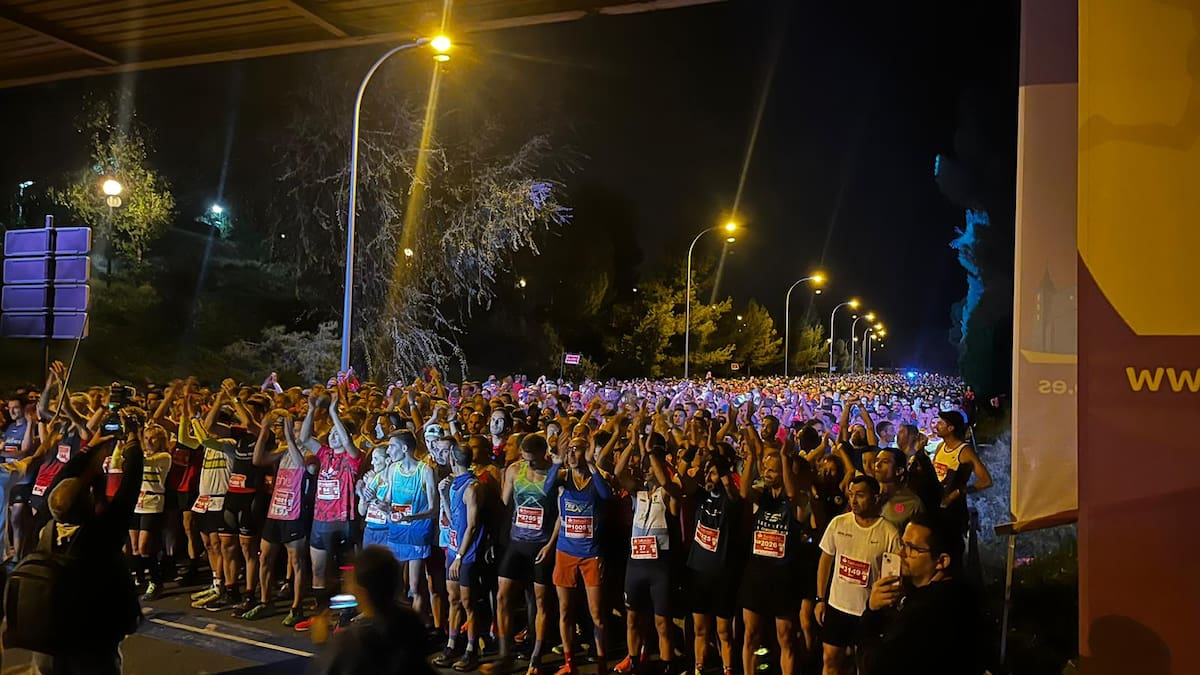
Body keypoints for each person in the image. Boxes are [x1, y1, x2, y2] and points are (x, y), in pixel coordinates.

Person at [25, 409, 144, 675]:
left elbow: (63, 479)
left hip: (48, 641)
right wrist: (134, 438)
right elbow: (131, 484)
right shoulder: (100, 535)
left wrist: (91, 446)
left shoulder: (43, 528)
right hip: (91, 643)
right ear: (89, 502)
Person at [858, 513, 985, 675]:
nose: (901, 553)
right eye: (902, 544)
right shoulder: (963, 593)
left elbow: (873, 666)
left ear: (942, 561)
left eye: (912, 548)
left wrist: (872, 612)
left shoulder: (926, 612)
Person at [485, 433, 558, 675]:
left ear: (543, 454)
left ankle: (536, 657)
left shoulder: (555, 473)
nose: (530, 463)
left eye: (533, 460)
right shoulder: (515, 470)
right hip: (517, 542)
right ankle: (505, 654)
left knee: (538, 602)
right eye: (525, 459)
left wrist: (551, 545)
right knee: (503, 597)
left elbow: (561, 512)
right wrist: (495, 539)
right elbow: (505, 505)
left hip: (541, 544)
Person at [738, 437, 812, 675]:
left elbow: (791, 495)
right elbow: (743, 492)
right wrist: (750, 458)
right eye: (766, 469)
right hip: (756, 575)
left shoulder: (798, 500)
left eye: (773, 470)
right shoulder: (762, 496)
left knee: (786, 638)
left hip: (783, 578)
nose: (767, 474)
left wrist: (783, 457)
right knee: (751, 634)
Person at [816, 476, 900, 675]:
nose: (853, 501)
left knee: (863, 664)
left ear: (875, 498)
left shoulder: (889, 533)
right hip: (837, 607)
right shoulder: (838, 524)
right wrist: (820, 599)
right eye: (851, 495)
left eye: (860, 496)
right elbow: (825, 561)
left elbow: (893, 577)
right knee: (829, 659)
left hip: (867, 612)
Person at [308, 545, 435, 675]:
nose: (347, 587)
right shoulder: (411, 623)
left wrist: (322, 644)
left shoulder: (353, 642)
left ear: (362, 590)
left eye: (349, 582)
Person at [544, 434, 612, 675]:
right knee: (565, 610)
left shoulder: (595, 479)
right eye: (569, 450)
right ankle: (570, 662)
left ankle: (602, 663)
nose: (572, 454)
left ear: (587, 452)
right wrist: (556, 462)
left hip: (591, 554)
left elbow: (606, 495)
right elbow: (546, 489)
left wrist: (592, 464)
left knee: (597, 614)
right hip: (566, 552)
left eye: (577, 450)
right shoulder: (564, 477)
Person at [295, 389, 362, 631]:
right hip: (320, 522)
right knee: (318, 569)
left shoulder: (353, 458)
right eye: (331, 433)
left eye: (337, 433)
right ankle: (320, 613)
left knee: (346, 573)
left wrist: (334, 412)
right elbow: (304, 437)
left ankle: (345, 616)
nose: (333, 436)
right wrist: (312, 409)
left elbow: (348, 443)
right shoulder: (325, 455)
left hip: (344, 521)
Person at [679, 452, 741, 675]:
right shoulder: (700, 496)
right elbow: (682, 480)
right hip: (697, 572)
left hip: (721, 574)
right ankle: (699, 668)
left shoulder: (729, 500)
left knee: (724, 631)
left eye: (713, 473)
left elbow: (734, 495)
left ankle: (728, 669)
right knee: (699, 628)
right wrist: (694, 452)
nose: (708, 477)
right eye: (708, 472)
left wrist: (723, 472)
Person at [249, 409, 312, 624]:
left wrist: (288, 438)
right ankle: (266, 601)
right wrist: (264, 430)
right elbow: (258, 460)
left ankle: (297, 607)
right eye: (292, 429)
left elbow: (302, 464)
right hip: (276, 511)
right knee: (264, 557)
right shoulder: (285, 450)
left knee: (297, 562)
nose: (293, 433)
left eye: (297, 430)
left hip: (294, 514)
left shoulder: (311, 453)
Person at [433, 442, 488, 671]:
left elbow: (472, 526)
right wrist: (442, 494)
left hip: (467, 554)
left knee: (468, 603)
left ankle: (471, 649)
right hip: (454, 549)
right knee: (453, 599)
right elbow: (451, 517)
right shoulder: (454, 484)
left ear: (453, 461)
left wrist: (460, 556)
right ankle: (452, 644)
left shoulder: (472, 488)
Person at [930, 411, 992, 535]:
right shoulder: (940, 446)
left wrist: (959, 492)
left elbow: (986, 481)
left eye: (940, 423)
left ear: (951, 428)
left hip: (954, 510)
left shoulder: (964, 451)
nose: (936, 426)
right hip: (937, 506)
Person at [872, 449, 923, 531]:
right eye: (877, 460)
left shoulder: (911, 502)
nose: (877, 465)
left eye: (885, 462)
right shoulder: (868, 494)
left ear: (899, 470)